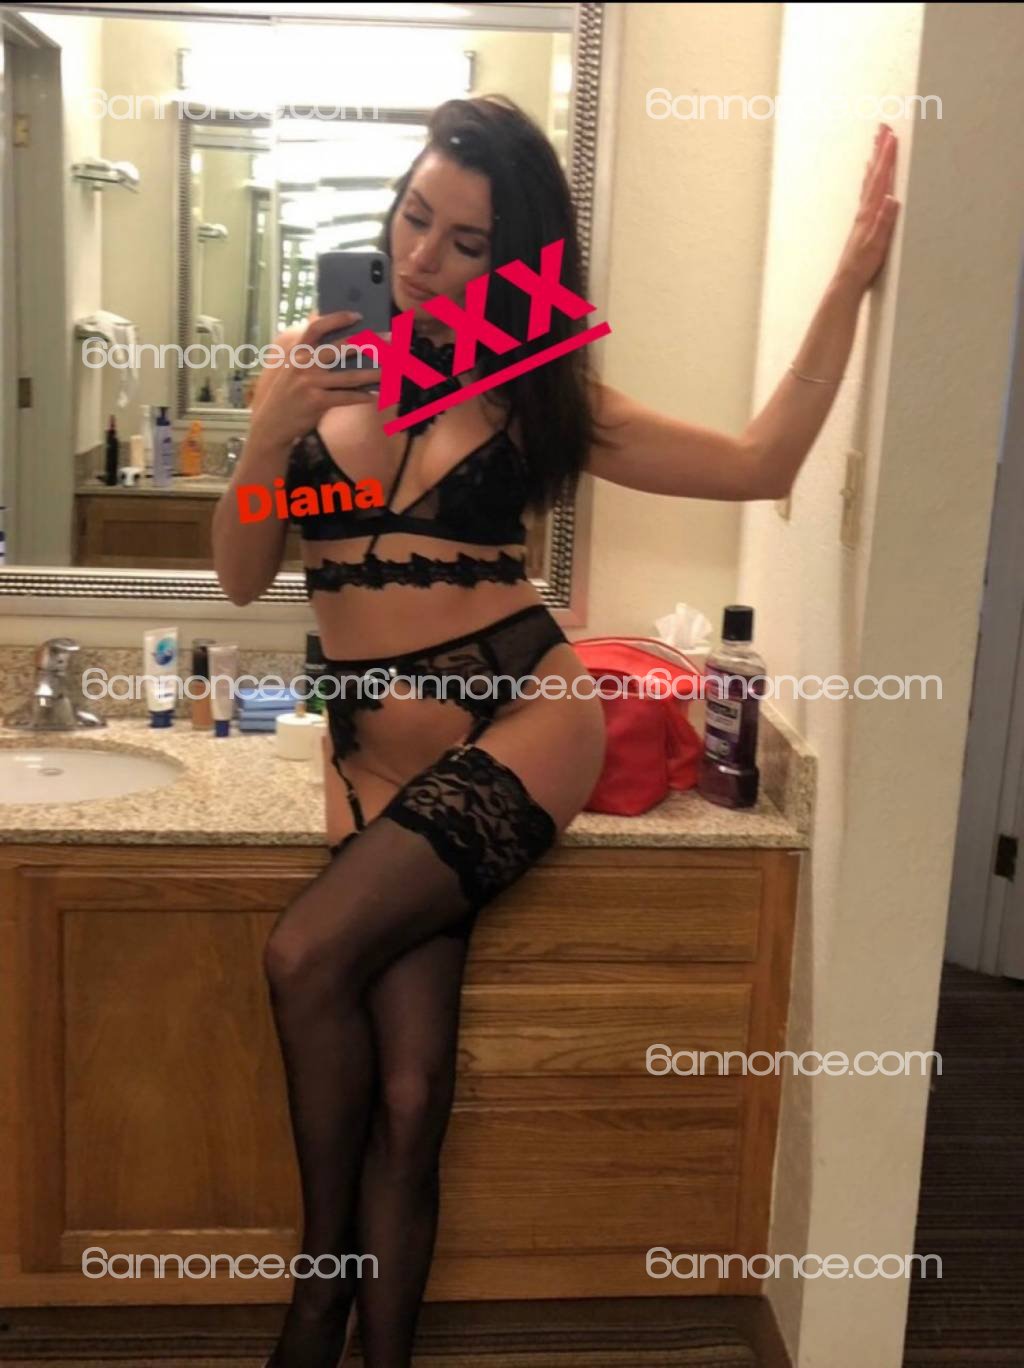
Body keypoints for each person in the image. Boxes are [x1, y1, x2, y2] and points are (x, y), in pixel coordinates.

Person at [212, 95, 899, 1368]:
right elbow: (244, 574)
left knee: (304, 955)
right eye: (414, 218)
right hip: (372, 760)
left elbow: (758, 462)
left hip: (524, 715)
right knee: (408, 1092)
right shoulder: (309, 372)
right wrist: (264, 437)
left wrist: (848, 286)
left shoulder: (531, 390)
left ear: (513, 260)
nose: (423, 257)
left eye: (467, 242)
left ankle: (313, 1308)